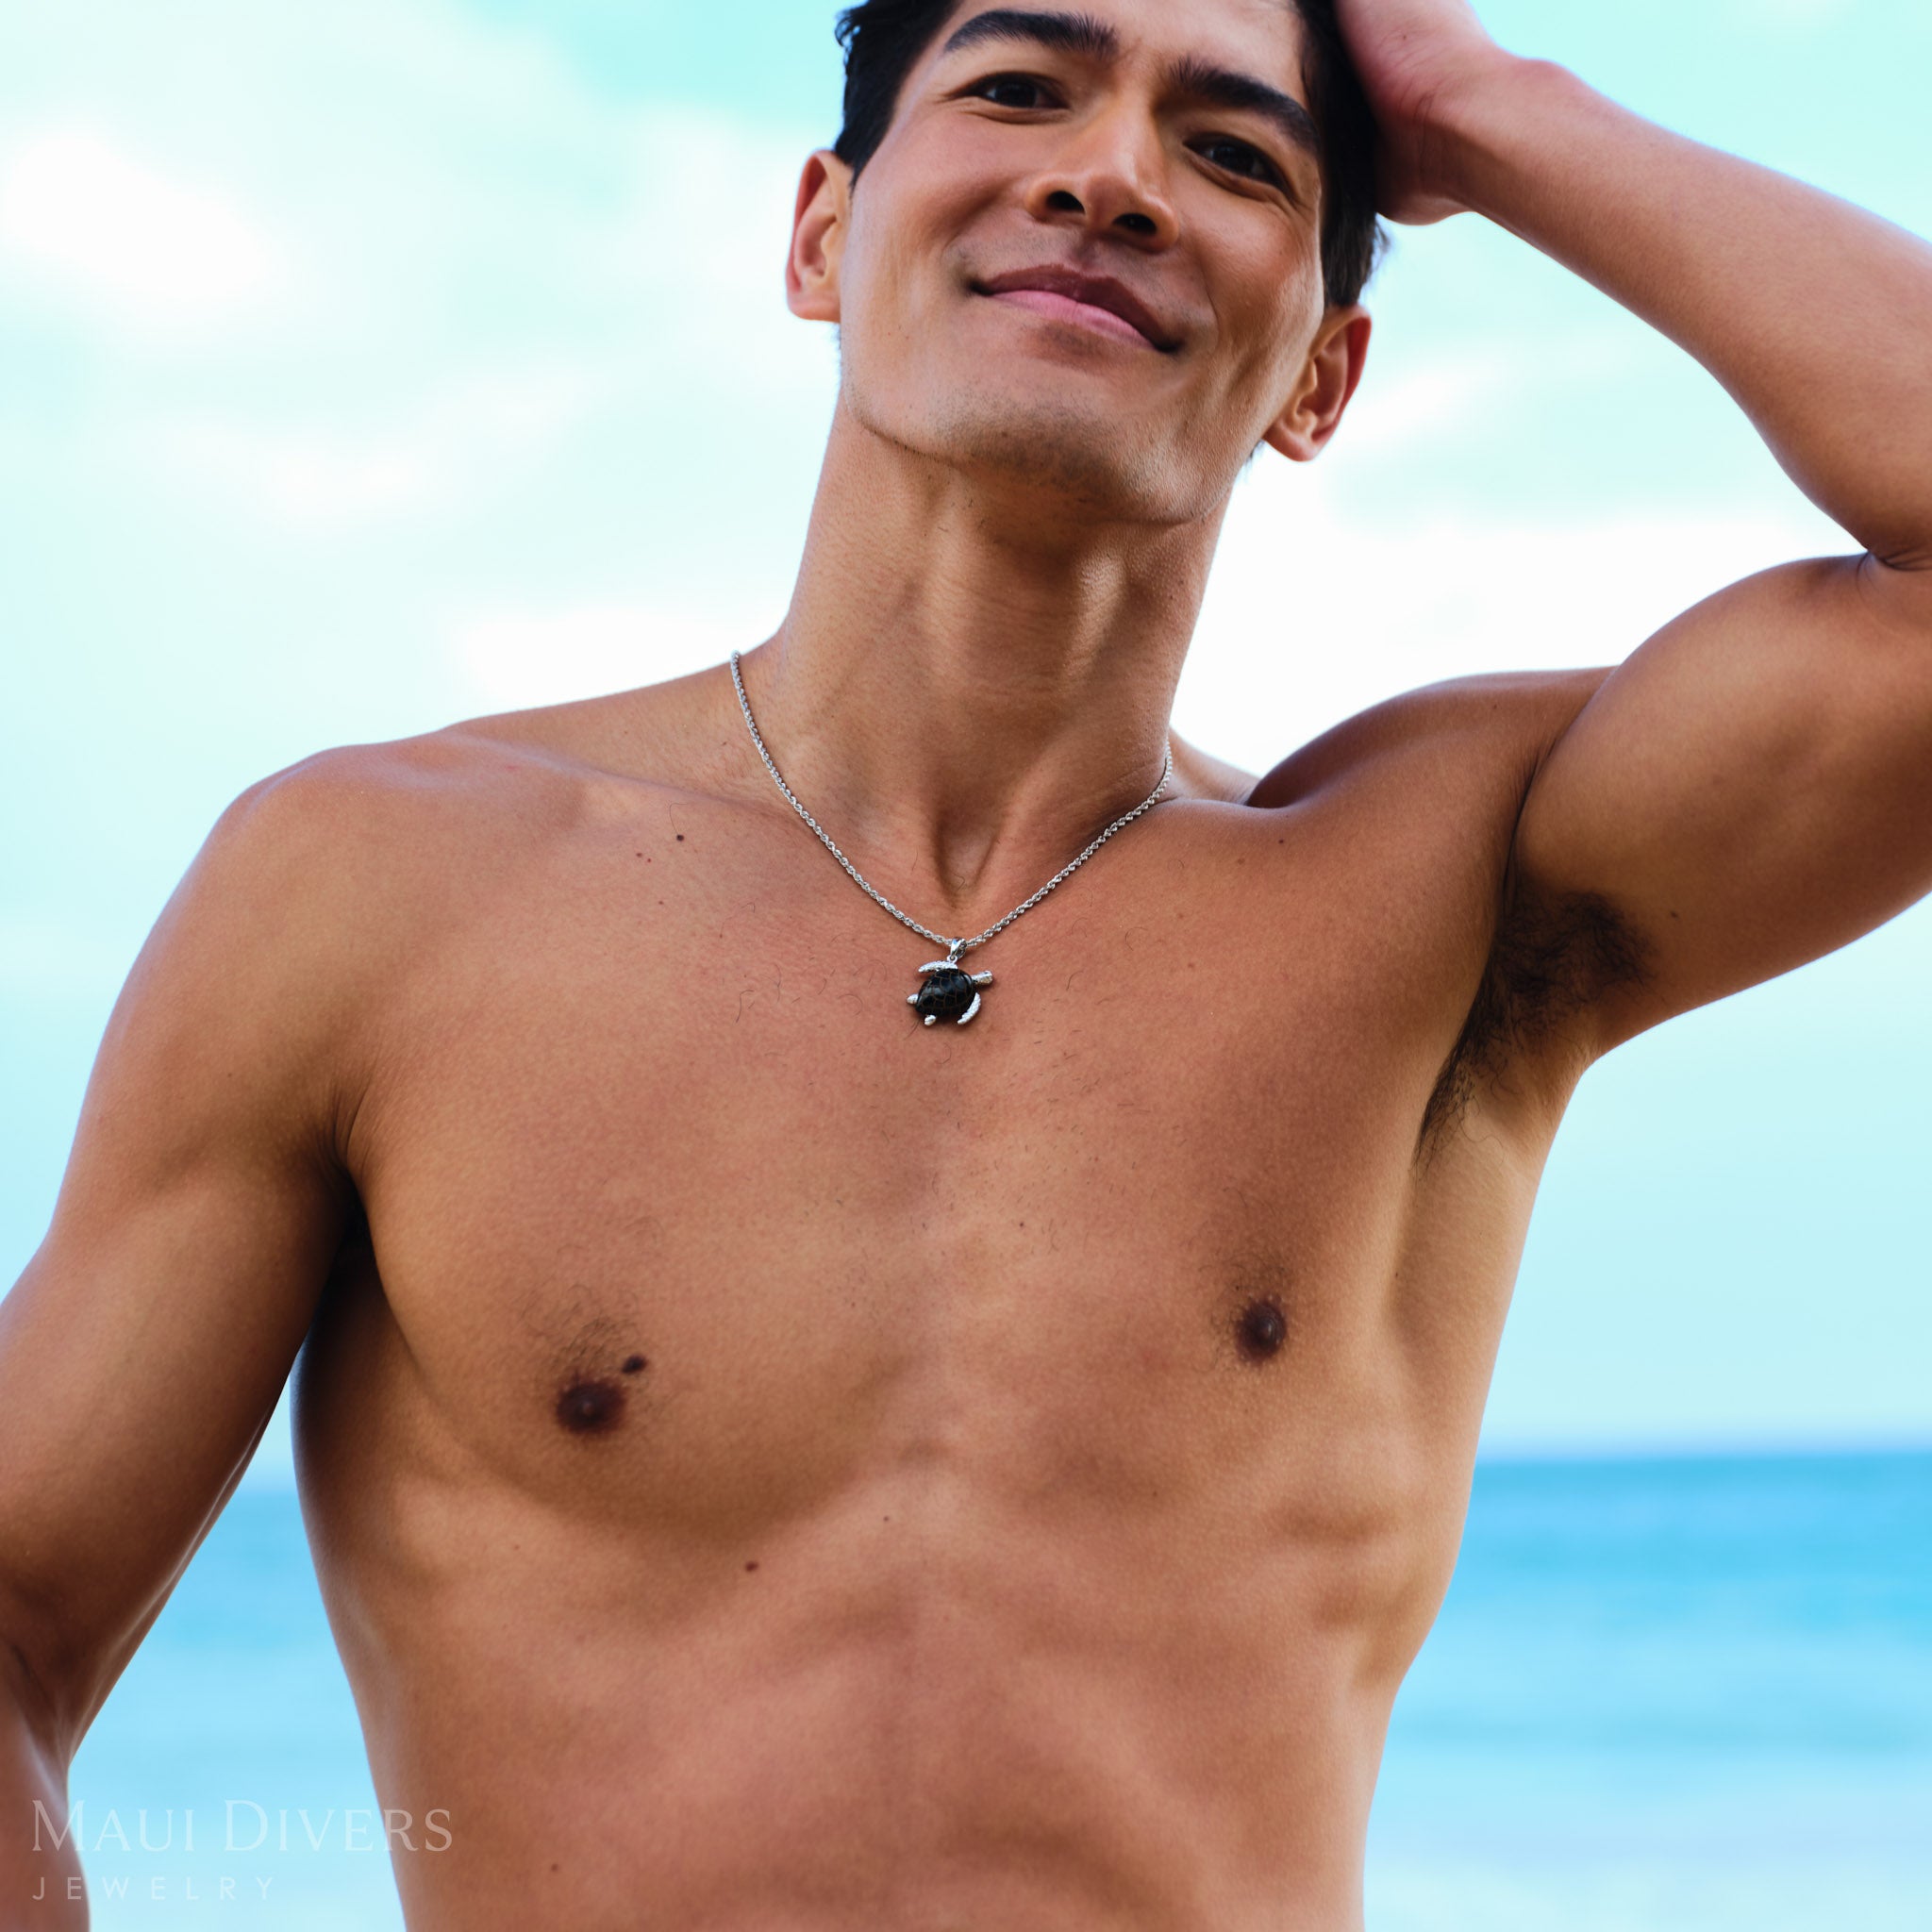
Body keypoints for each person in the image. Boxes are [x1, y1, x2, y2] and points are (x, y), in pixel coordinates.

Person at [7, 0, 1931, 1924]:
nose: (1107, 176)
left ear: (1320, 378)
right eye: (1019, 87)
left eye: (1238, 154)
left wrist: (1484, 105)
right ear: (822, 236)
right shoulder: (375, 885)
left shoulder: (1451, 897)